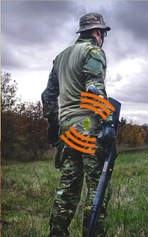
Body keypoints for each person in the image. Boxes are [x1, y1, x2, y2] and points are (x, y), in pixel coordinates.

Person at [41, 13, 115, 237]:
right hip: (88, 128)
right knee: (97, 187)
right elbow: (94, 90)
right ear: (97, 32)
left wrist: (54, 126)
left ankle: (57, 233)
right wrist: (108, 123)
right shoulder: (93, 51)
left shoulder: (61, 57)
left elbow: (48, 96)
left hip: (67, 130)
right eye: (102, 34)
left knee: (68, 188)